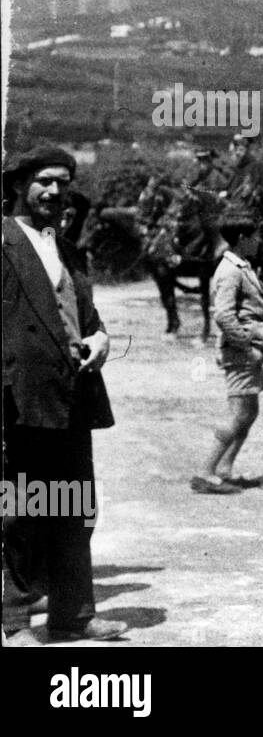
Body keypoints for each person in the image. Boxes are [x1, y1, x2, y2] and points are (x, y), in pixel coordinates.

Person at [2, 145, 126, 644]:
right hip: (18, 398)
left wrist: (101, 340)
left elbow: (86, 319)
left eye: (64, 183)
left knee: (74, 504)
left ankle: (73, 614)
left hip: (72, 395)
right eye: (45, 181)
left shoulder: (67, 247)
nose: (55, 192)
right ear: (17, 186)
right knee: (22, 508)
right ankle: (14, 619)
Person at [194, 214, 263, 495]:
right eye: (254, 236)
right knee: (239, 414)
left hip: (247, 350)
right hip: (240, 352)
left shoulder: (242, 265)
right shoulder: (230, 271)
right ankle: (205, 471)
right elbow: (224, 316)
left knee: (249, 412)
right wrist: (246, 347)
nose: (258, 241)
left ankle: (224, 469)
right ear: (242, 239)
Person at [222, 134, 263, 202]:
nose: (237, 153)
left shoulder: (255, 166)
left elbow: (248, 193)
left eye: (241, 150)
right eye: (235, 150)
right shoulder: (239, 167)